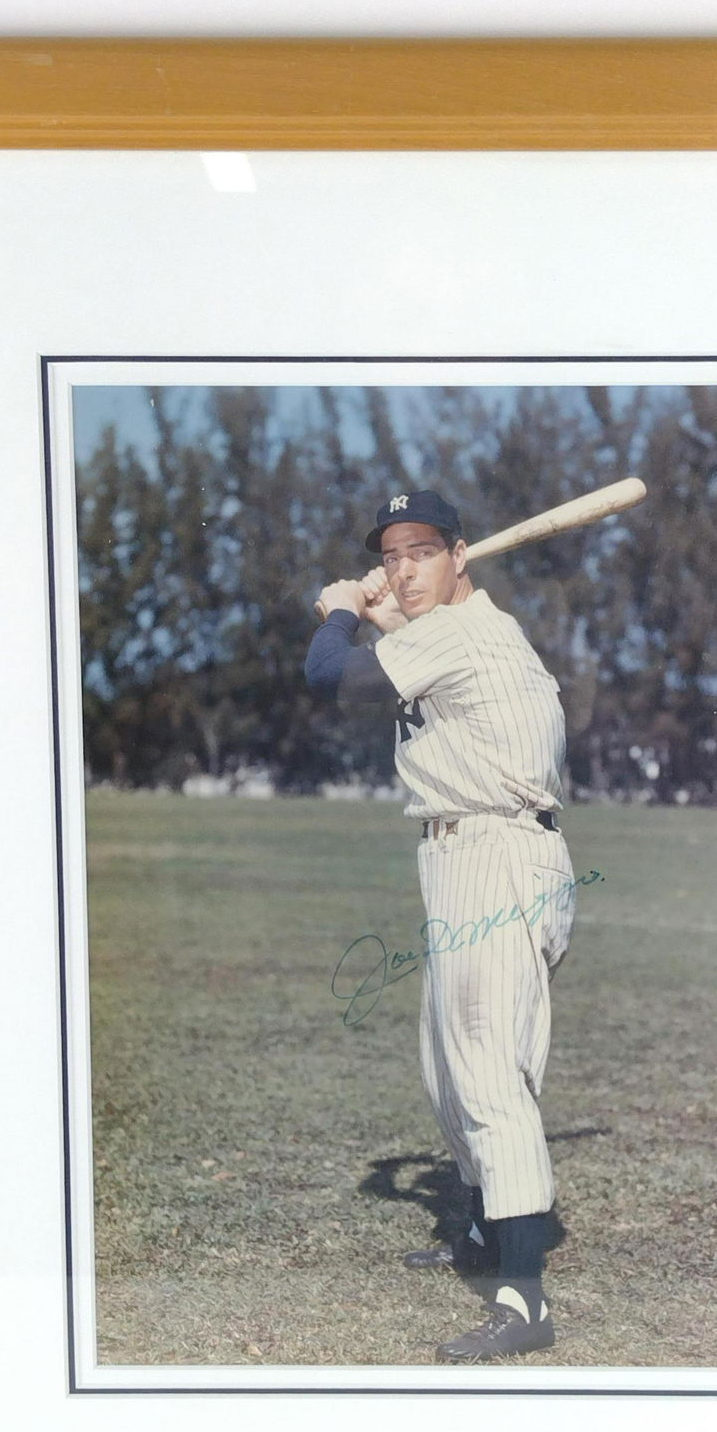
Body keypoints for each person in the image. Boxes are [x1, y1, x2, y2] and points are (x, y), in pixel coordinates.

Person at [304, 489, 575, 1362]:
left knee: (489, 1074)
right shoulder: (463, 632)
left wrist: (342, 611)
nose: (403, 567)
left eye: (422, 550)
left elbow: (331, 677)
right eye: (390, 555)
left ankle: (523, 1300)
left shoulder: (461, 632)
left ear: (461, 555)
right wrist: (384, 617)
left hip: (497, 852)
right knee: (448, 1067)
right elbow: (419, 669)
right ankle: (484, 1236)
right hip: (469, 854)